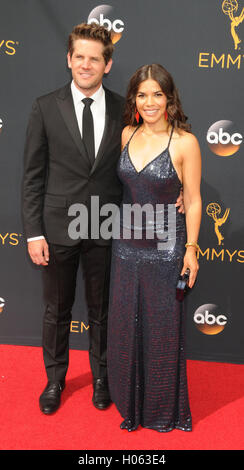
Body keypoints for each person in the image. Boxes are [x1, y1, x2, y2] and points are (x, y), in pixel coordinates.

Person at [22, 24, 184, 415]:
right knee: (56, 310)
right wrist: (33, 233)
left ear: (107, 64)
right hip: (59, 226)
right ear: (69, 59)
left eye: (95, 58)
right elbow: (32, 175)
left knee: (103, 311)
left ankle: (102, 379)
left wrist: (177, 188)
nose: (86, 64)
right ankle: (55, 380)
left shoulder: (124, 111)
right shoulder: (45, 106)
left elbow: (158, 147)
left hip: (108, 226)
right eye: (80, 56)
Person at [107, 63, 202, 432]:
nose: (150, 102)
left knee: (162, 332)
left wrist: (191, 250)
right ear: (135, 98)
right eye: (143, 94)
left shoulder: (185, 142)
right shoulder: (126, 134)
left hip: (167, 249)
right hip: (126, 248)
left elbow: (193, 201)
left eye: (157, 94)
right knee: (126, 329)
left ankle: (163, 410)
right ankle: (128, 401)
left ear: (169, 98)